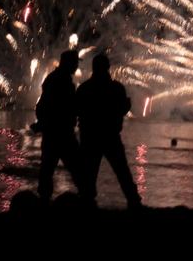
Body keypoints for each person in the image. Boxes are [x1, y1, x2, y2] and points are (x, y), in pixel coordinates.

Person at [76, 53, 142, 209]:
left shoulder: (84, 88)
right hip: (110, 136)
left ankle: (88, 202)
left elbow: (76, 109)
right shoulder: (116, 87)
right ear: (107, 68)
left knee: (89, 174)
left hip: (90, 137)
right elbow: (123, 108)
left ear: (94, 68)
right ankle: (134, 202)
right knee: (122, 172)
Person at [35, 50, 82, 204]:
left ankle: (44, 201)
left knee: (48, 169)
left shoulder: (56, 78)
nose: (76, 66)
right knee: (76, 168)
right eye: (75, 62)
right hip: (61, 133)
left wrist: (42, 124)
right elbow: (52, 106)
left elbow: (42, 106)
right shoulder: (60, 80)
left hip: (54, 132)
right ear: (68, 63)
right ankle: (86, 200)